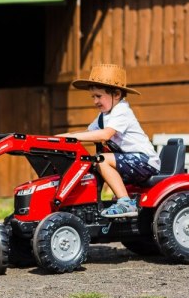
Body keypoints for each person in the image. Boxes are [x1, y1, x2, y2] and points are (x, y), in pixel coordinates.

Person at [57, 63, 160, 218]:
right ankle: (87, 205)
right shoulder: (104, 116)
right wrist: (63, 139)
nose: (95, 101)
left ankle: (126, 203)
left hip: (145, 161)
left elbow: (105, 135)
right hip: (130, 161)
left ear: (116, 94)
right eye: (93, 97)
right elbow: (88, 133)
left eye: (98, 96)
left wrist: (70, 137)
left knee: (102, 160)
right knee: (90, 163)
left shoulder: (122, 111)